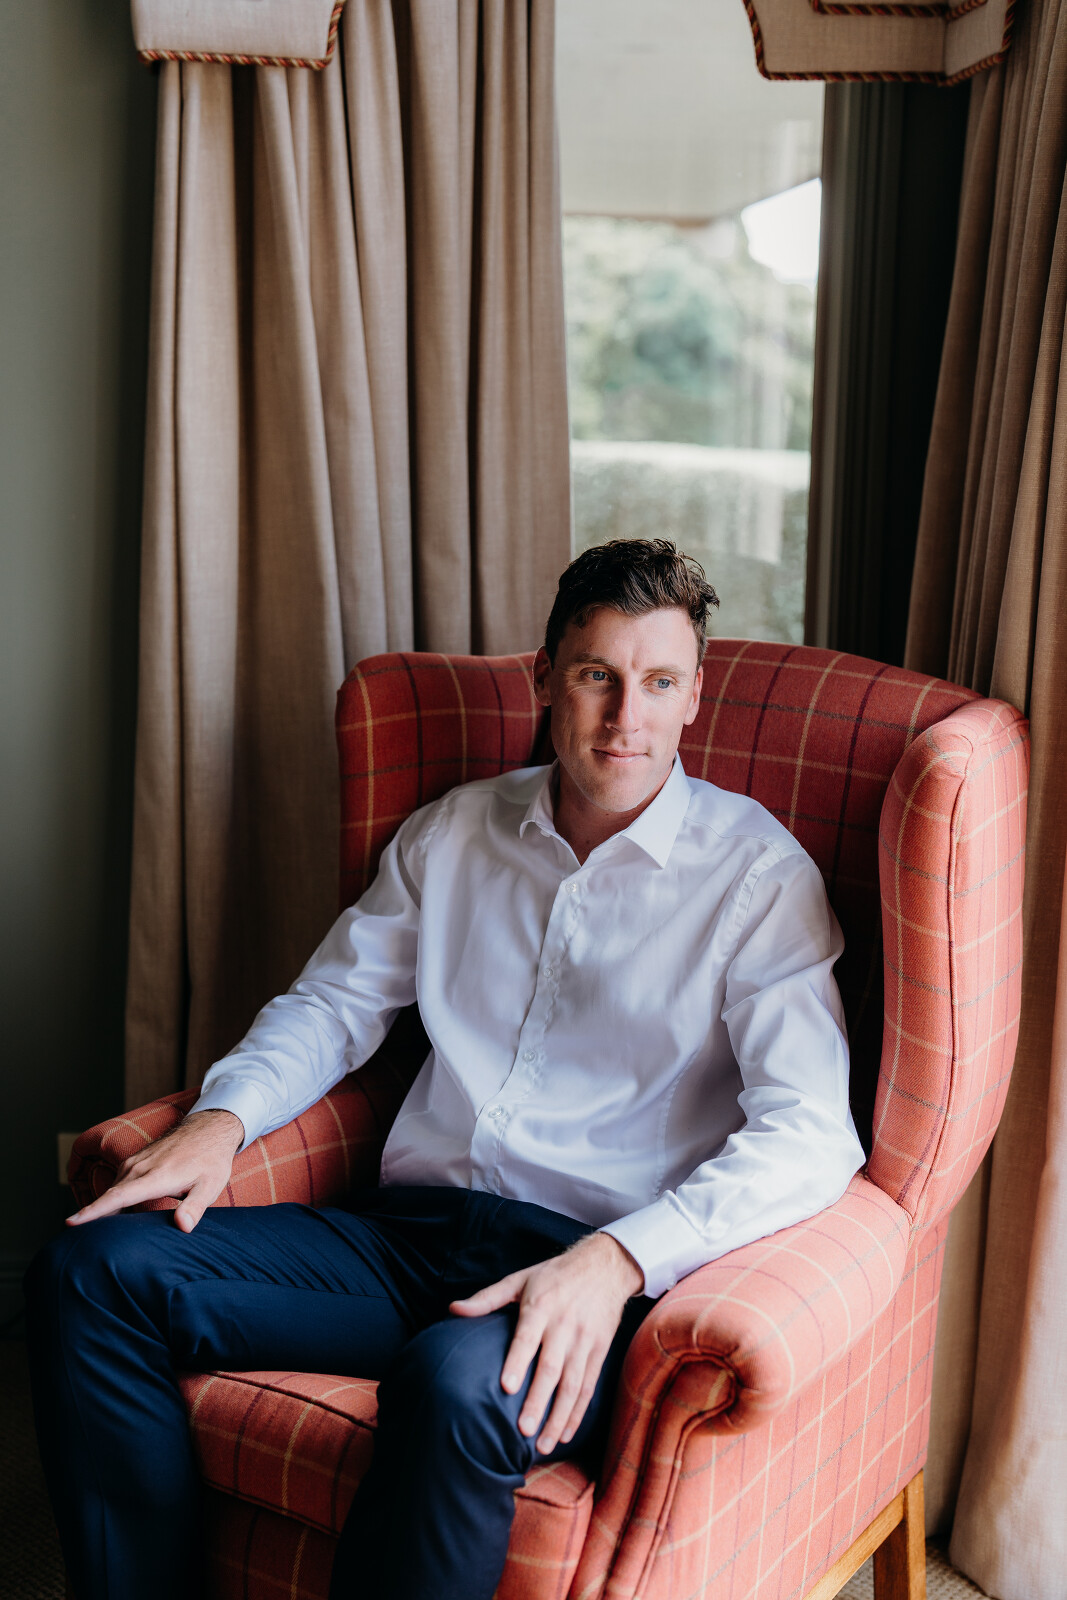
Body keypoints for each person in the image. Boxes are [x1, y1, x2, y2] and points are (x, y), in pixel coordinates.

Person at [25, 539, 865, 1600]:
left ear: (695, 696)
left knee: (449, 1386)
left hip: (577, 1267)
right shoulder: (457, 831)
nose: (626, 717)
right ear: (545, 678)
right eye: (597, 675)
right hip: (404, 1238)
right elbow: (333, 1006)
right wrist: (221, 1120)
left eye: (659, 682)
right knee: (88, 1273)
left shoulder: (757, 878)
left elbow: (810, 1132)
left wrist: (618, 1259)